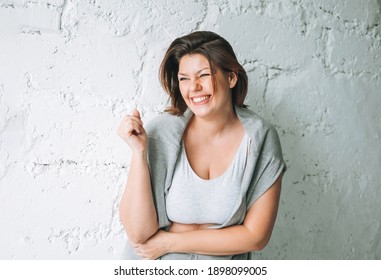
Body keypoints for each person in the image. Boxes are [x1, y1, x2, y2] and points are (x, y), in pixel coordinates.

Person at [117, 31, 286, 260]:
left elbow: (256, 236)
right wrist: (139, 152)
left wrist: (169, 242)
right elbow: (139, 234)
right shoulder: (161, 132)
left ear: (231, 77)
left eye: (203, 75)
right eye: (184, 78)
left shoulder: (260, 138)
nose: (193, 87)